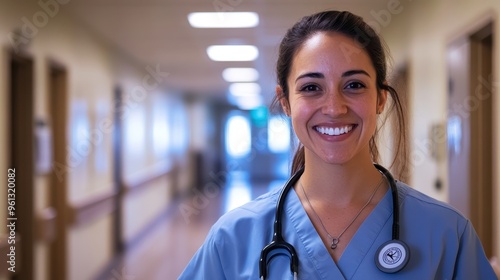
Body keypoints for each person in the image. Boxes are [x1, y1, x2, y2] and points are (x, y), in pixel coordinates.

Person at [179, 10, 497, 279]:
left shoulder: (446, 234)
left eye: (354, 85)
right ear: (286, 102)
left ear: (380, 98)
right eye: (312, 87)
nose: (334, 107)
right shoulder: (234, 238)